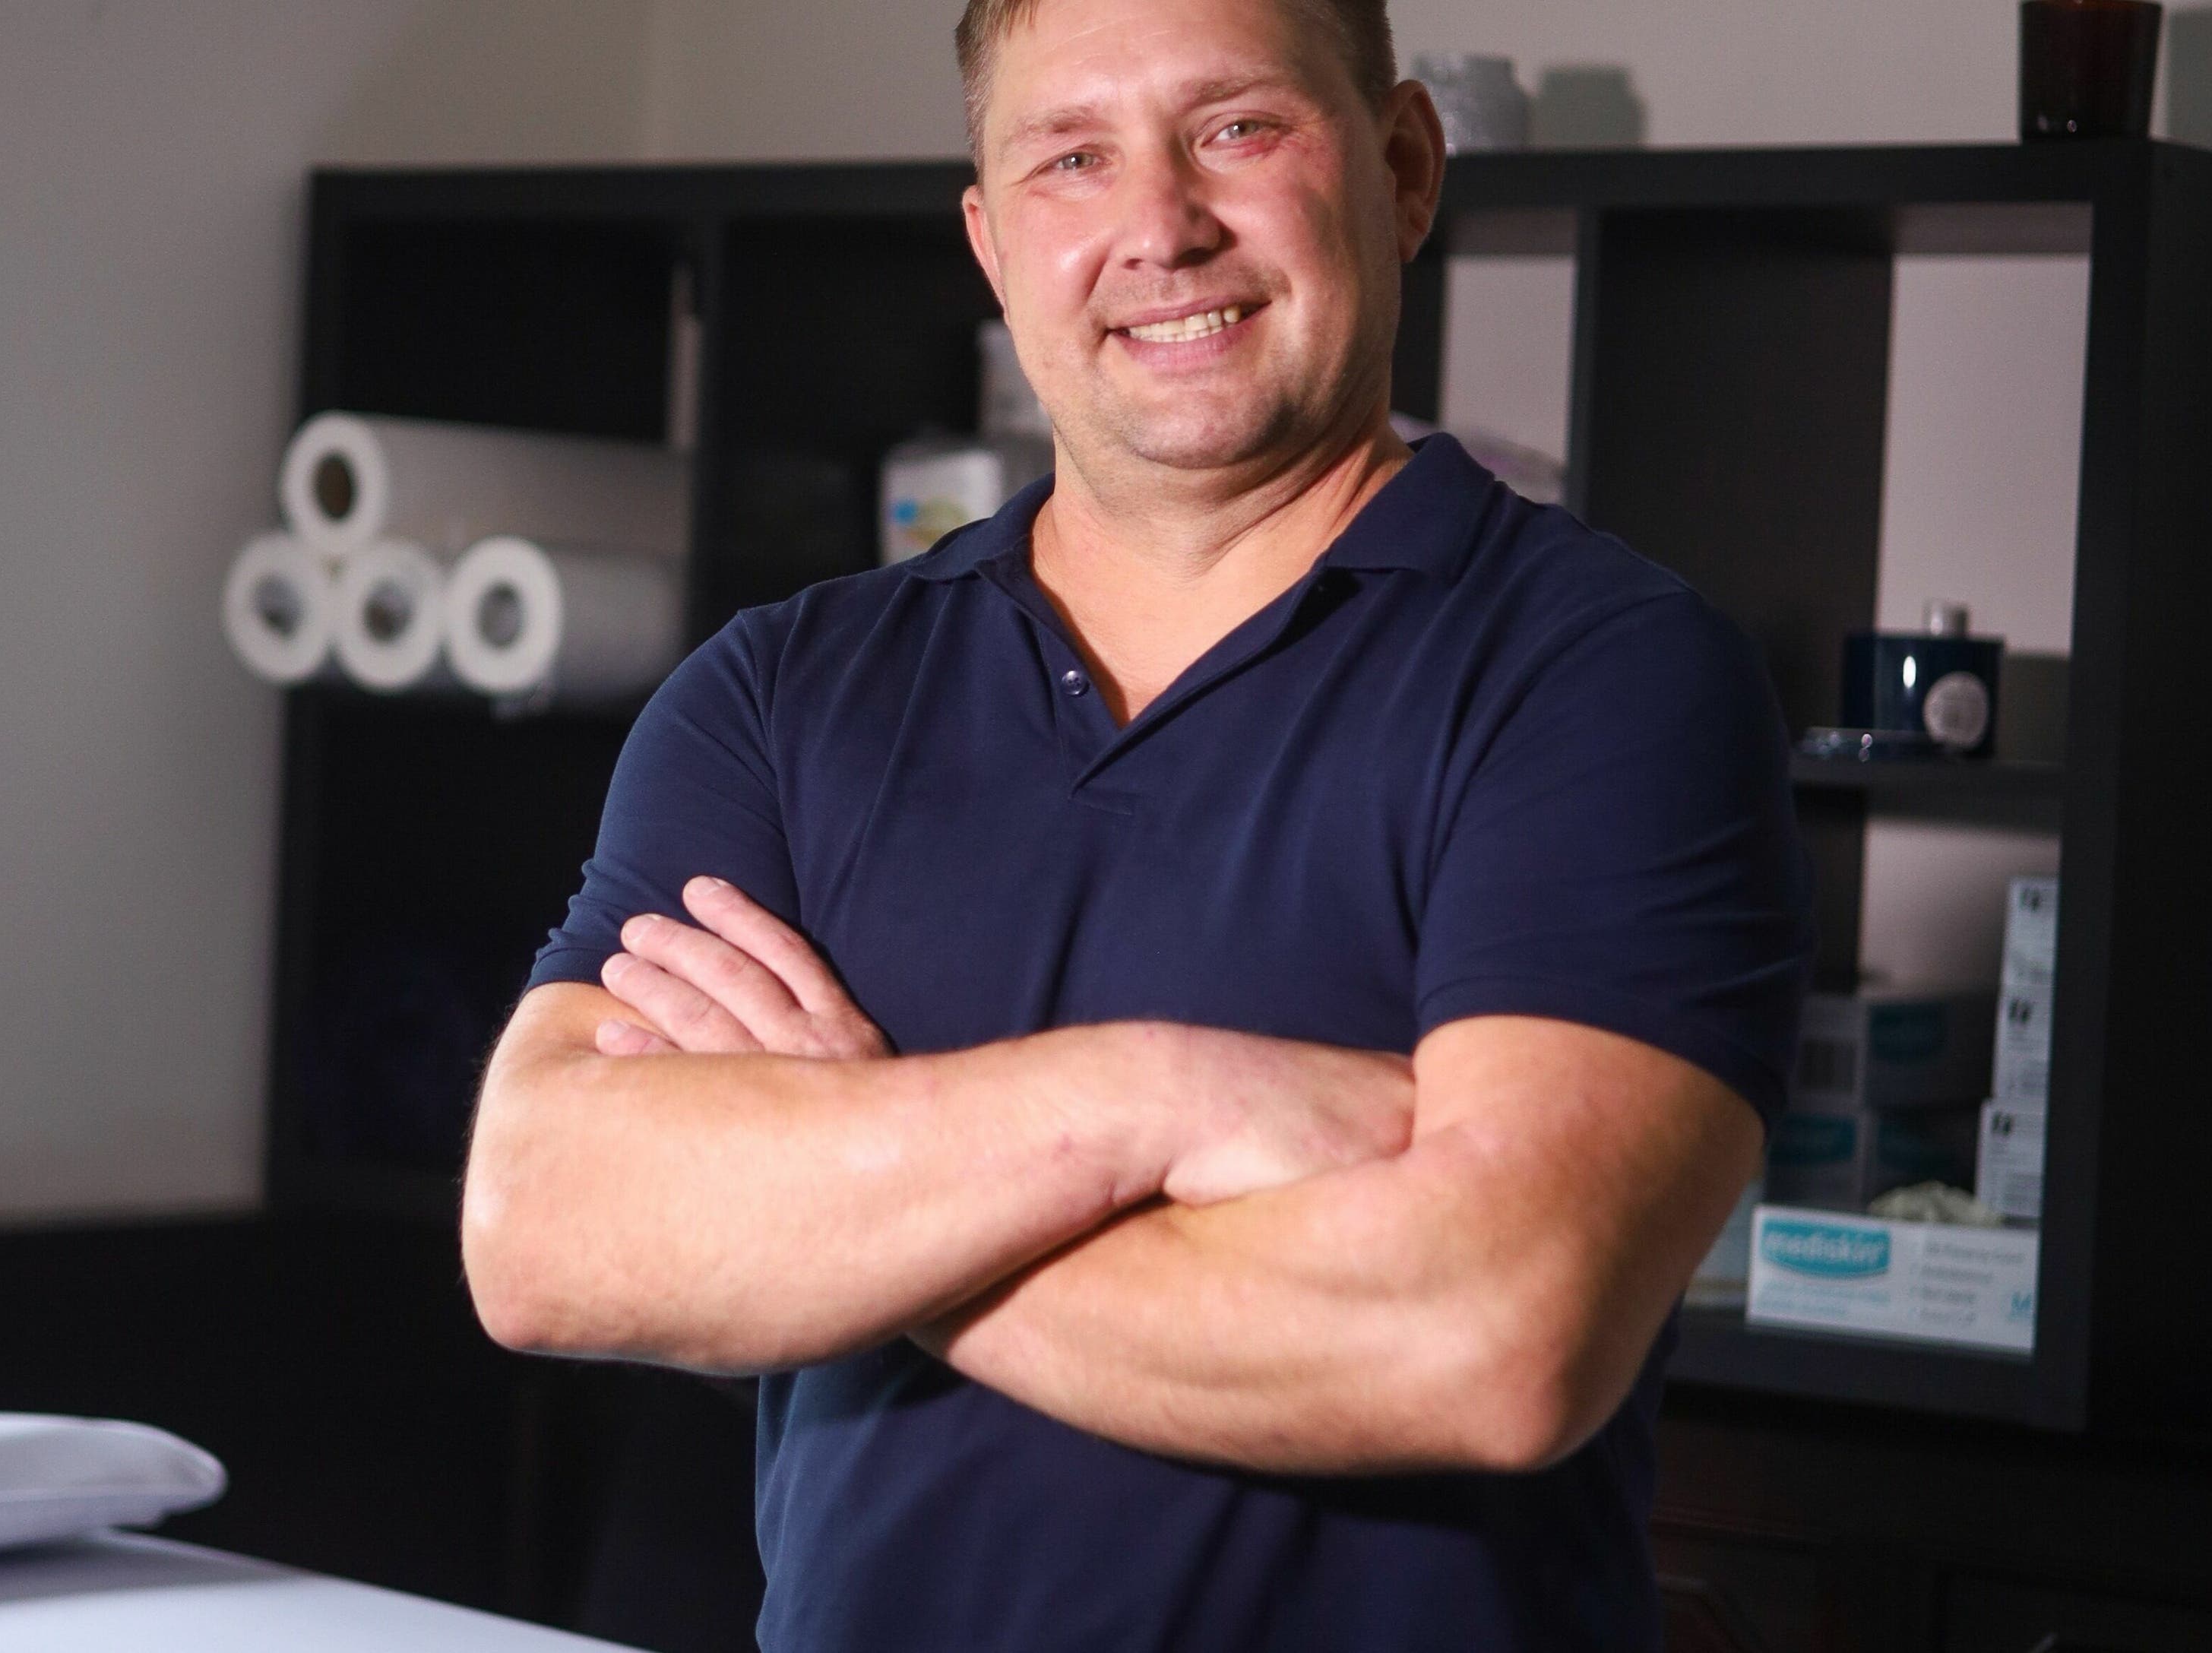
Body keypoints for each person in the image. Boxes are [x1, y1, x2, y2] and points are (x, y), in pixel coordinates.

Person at [460, 0, 1812, 1644]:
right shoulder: (782, 695)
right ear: (991, 241)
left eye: (1238, 129)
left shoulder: (1604, 677)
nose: (1161, 229)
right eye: (1072, 159)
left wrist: (849, 1191)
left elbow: (1491, 1336)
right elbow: (544, 1229)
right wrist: (1156, 1096)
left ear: (1402, 168)